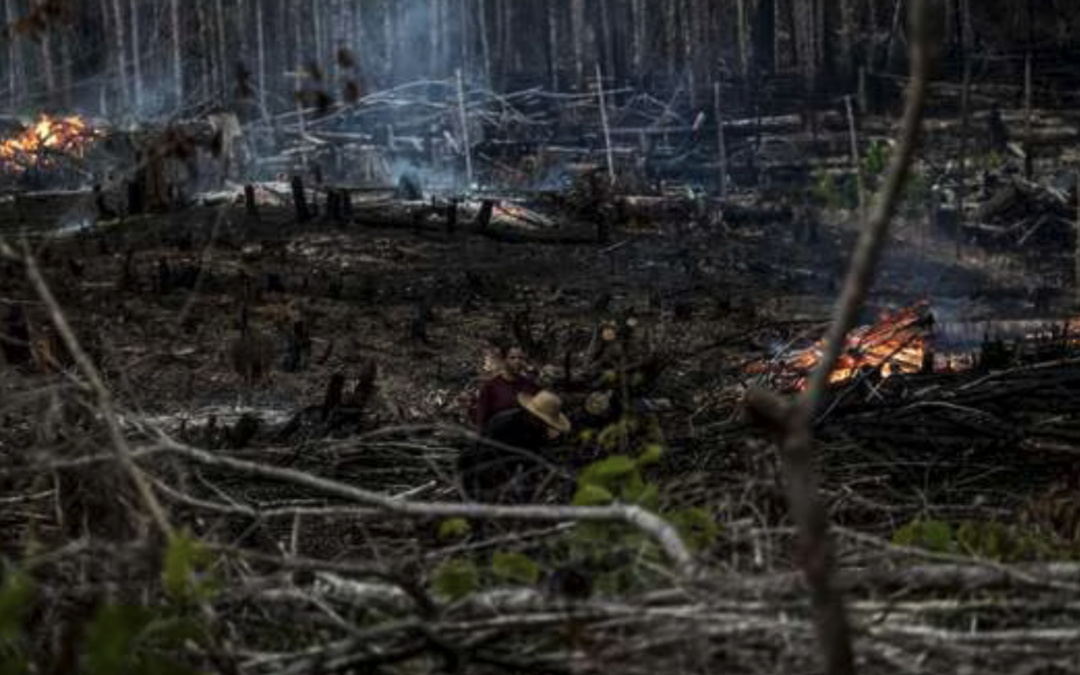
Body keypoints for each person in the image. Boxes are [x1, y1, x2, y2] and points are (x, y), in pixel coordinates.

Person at [459, 389, 572, 503]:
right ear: (531, 414)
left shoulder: (539, 431)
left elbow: (533, 460)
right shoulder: (504, 424)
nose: (542, 425)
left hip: (509, 469)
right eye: (540, 421)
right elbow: (484, 455)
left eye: (545, 423)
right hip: (479, 467)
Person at [472, 345, 539, 430]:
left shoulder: (531, 386)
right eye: (512, 358)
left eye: (521, 358)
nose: (517, 361)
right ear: (504, 360)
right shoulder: (490, 387)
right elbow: (481, 421)